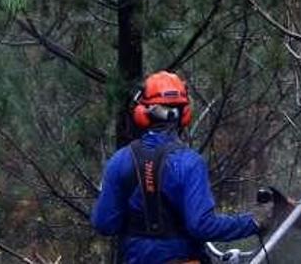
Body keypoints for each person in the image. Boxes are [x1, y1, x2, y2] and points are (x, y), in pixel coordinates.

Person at [91, 71, 275, 263]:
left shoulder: (119, 161)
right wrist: (253, 222)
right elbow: (201, 226)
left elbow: (104, 224)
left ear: (142, 113)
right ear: (185, 114)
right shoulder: (189, 163)